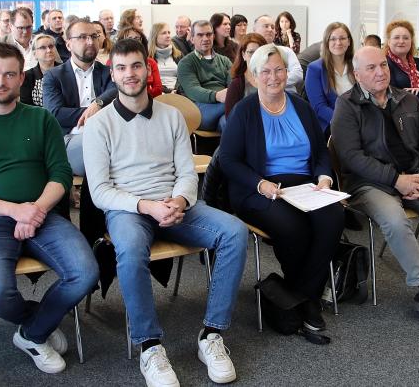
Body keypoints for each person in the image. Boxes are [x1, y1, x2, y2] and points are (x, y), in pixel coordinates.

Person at [84, 38, 248, 386]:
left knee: (234, 232)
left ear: (148, 68)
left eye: (136, 66)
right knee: (128, 250)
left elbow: (187, 173)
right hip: (129, 210)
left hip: (174, 205)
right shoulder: (99, 125)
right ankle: (149, 345)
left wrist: (180, 201)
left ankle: (212, 335)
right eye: (122, 68)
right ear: (112, 74)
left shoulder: (172, 116)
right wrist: (148, 206)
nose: (130, 74)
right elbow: (100, 192)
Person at [0, 42, 98, 376]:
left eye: (10, 74)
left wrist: (36, 210)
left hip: (42, 215)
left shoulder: (40, 119)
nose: (1, 81)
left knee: (86, 273)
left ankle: (31, 335)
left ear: (20, 79)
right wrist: (15, 211)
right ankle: (38, 321)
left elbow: (60, 173)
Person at [332, 45, 419, 326]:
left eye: (382, 65)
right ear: (357, 74)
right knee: (395, 221)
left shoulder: (406, 99)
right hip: (370, 184)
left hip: (414, 178)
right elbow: (351, 158)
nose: (380, 72)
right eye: (371, 68)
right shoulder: (347, 105)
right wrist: (397, 181)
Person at [219, 44, 344, 332]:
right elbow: (227, 160)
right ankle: (308, 299)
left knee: (333, 218)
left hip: (305, 185)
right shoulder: (244, 111)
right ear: (253, 77)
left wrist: (324, 177)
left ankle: (301, 294)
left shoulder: (301, 107)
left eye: (279, 70)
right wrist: (259, 183)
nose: (273, 77)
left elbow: (321, 153)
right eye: (266, 71)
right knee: (292, 227)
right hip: (261, 188)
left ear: (287, 73)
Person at [43, 19, 117, 177]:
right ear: (68, 44)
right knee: (98, 147)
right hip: (71, 138)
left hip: (108, 136)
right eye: (83, 37)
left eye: (94, 36)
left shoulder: (108, 72)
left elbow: (117, 90)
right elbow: (56, 114)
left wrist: (98, 103)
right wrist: (93, 114)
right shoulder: (54, 76)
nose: (90, 42)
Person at [176, 20, 231, 132]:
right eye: (200, 35)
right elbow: (193, 90)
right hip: (199, 108)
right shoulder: (186, 63)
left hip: (224, 108)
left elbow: (234, 84)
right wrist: (217, 96)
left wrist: (231, 95)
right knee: (237, 107)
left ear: (213, 36)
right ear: (192, 39)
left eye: (209, 34)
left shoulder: (224, 61)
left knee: (227, 122)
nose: (205, 38)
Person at [304, 22, 355, 133]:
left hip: (359, 121)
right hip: (331, 126)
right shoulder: (315, 69)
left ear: (349, 41)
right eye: (333, 39)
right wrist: (345, 122)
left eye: (342, 38)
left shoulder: (357, 65)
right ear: (326, 42)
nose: (338, 42)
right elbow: (319, 107)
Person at [385, 20, 419, 103]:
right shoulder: (384, 64)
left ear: (411, 42)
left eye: (406, 38)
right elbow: (390, 94)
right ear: (389, 42)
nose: (401, 41)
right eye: (396, 37)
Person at [253, 15, 303, 92]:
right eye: (266, 26)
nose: (270, 29)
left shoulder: (286, 51)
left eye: (272, 27)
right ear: (255, 30)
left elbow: (298, 74)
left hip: (288, 96)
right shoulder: (250, 53)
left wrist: (272, 83)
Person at [114, 27, 163, 99]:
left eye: (137, 38)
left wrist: (141, 96)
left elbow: (158, 89)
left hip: (149, 100)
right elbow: (114, 90)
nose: (134, 42)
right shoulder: (113, 62)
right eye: (129, 38)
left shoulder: (150, 62)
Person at [224, 33, 265, 117]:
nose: (255, 57)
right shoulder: (236, 84)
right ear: (243, 55)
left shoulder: (272, 79)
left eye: (259, 52)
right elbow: (231, 119)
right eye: (251, 52)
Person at [21, 34, 61, 107]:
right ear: (34, 54)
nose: (49, 50)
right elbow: (26, 106)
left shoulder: (66, 71)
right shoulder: (27, 76)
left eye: (51, 46)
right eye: (43, 47)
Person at [149, 22, 183, 93]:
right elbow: (150, 81)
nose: (168, 36)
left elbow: (184, 76)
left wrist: (176, 90)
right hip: (158, 93)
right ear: (155, 36)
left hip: (178, 93)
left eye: (169, 33)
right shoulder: (148, 57)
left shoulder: (179, 55)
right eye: (164, 33)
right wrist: (168, 91)